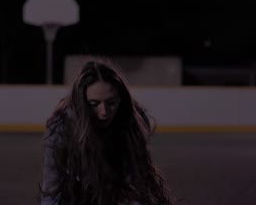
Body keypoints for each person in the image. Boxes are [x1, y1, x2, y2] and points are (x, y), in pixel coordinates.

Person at [39, 58, 175, 205]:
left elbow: (137, 181)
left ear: (120, 100)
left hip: (116, 190)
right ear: (82, 102)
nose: (103, 112)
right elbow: (52, 187)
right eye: (94, 104)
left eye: (111, 103)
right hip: (75, 194)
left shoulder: (134, 121)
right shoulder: (61, 127)